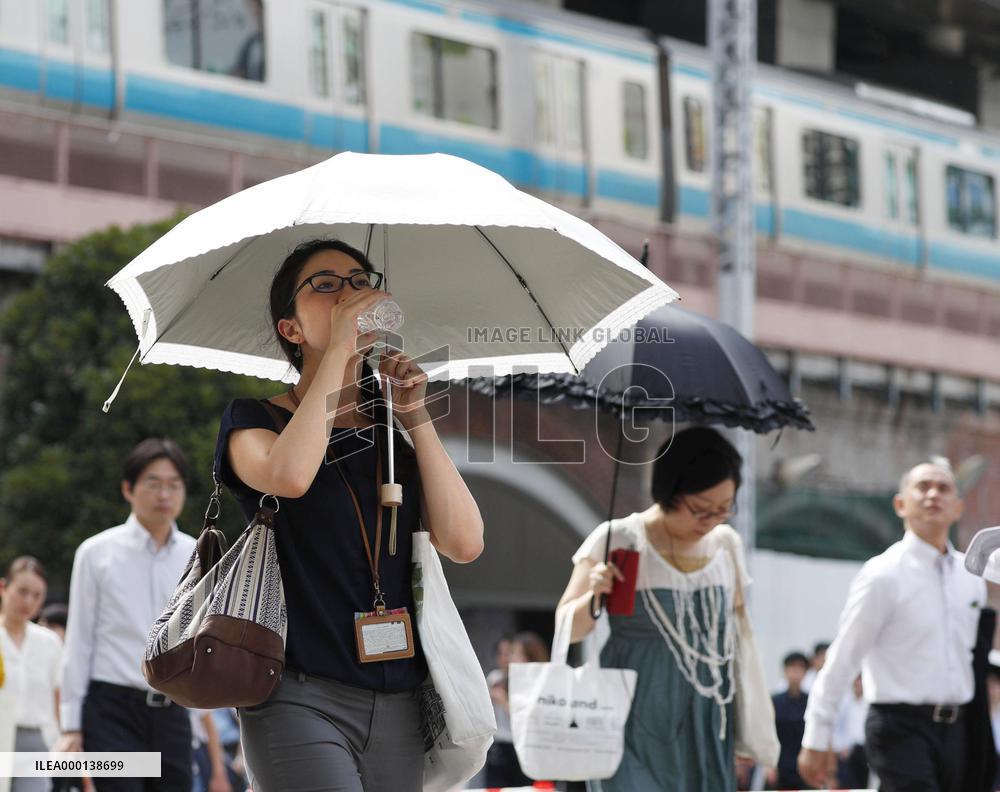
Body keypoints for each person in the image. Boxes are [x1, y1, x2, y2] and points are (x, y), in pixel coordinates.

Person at [217, 238, 484, 792]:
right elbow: (290, 477)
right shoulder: (254, 419)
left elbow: (464, 542)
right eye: (326, 285)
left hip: (400, 698)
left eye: (360, 281)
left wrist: (415, 419)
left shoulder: (393, 439)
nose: (350, 295)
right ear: (291, 329)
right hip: (296, 690)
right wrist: (338, 350)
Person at [556, 427, 774, 792]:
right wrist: (594, 595)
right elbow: (567, 627)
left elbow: (738, 639)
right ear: (669, 490)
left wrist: (746, 719)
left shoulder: (726, 545)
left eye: (724, 509)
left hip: (706, 720)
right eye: (701, 510)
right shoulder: (619, 538)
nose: (712, 521)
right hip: (632, 716)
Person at [798, 461, 987, 792]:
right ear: (900, 504)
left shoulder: (971, 577)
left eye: (943, 488)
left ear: (958, 507)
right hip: (899, 726)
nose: (933, 495)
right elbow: (844, 656)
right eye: (923, 486)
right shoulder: (883, 574)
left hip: (959, 730)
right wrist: (817, 731)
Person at [57, 439, 196, 791]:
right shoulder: (96, 553)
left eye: (174, 484)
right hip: (111, 710)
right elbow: (79, 641)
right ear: (128, 489)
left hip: (173, 710)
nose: (164, 493)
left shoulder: (198, 553)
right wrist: (71, 725)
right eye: (153, 482)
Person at [0, 557, 62, 792]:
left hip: (37, 741)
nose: (28, 601)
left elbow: (57, 697)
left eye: (37, 596)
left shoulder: (49, 643)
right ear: (4, 588)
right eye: (22, 591)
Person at [768, 652, 809, 790]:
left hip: (805, 763)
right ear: (785, 671)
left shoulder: (811, 701)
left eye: (800, 668)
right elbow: (769, 734)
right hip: (780, 763)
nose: (796, 672)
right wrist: (769, 766)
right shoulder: (775, 701)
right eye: (792, 667)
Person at [833, 676, 870, 789]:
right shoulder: (844, 702)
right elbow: (837, 726)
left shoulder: (870, 703)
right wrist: (840, 747)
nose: (859, 686)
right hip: (847, 751)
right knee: (847, 784)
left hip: (866, 751)